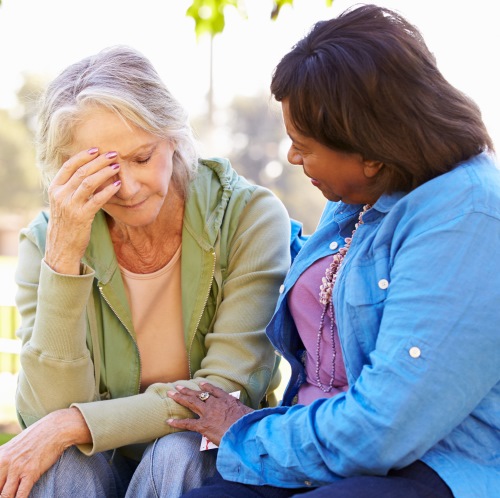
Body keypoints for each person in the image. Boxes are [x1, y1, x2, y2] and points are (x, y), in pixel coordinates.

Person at [166, 4, 500, 497]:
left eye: (304, 145)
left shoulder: (467, 218)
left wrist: (250, 435)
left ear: (369, 150)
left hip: (432, 465)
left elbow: (383, 429)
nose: (292, 157)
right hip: (320, 449)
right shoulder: (358, 198)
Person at [0, 45, 291, 498]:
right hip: (96, 467)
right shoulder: (45, 241)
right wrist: (64, 257)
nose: (129, 189)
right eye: (101, 171)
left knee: (179, 451)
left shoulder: (248, 216)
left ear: (173, 136)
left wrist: (71, 424)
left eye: (141, 158)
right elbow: (44, 415)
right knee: (60, 465)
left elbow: (223, 395)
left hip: (198, 465)